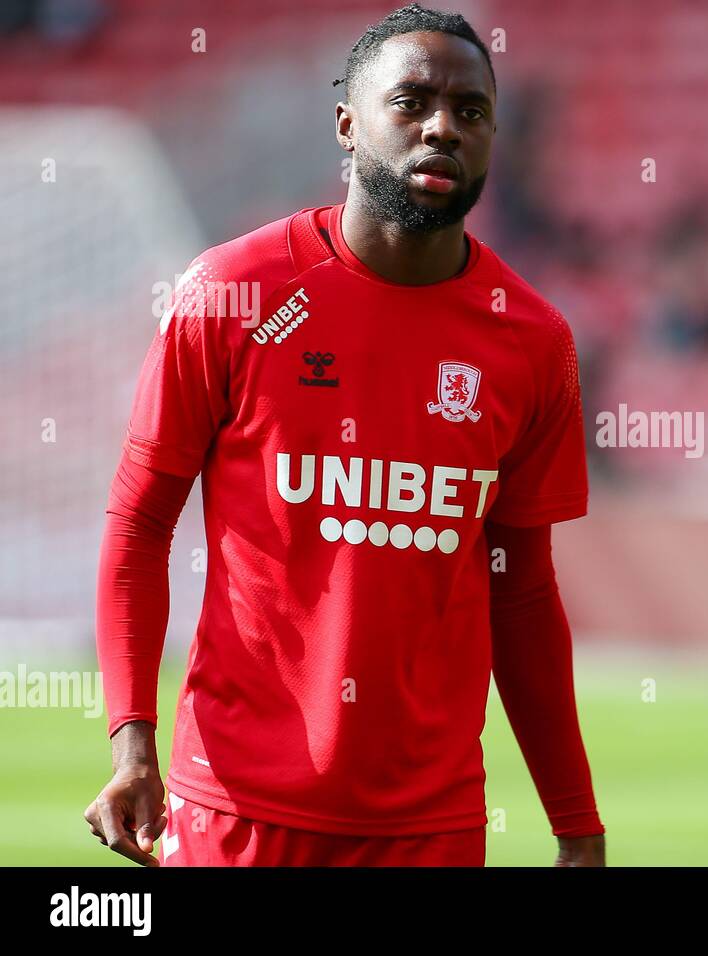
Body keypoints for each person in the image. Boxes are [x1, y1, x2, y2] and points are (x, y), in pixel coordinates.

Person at [85, 4, 605, 867]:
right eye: (411, 101)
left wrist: (576, 825)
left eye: (471, 111)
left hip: (430, 829)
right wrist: (132, 746)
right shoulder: (231, 292)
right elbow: (139, 525)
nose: (442, 126)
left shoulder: (533, 340)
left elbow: (521, 593)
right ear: (348, 124)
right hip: (234, 814)